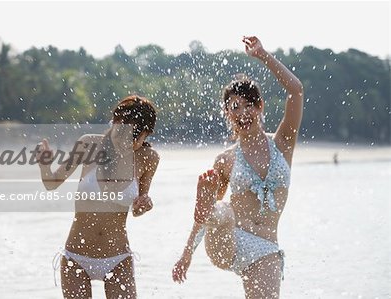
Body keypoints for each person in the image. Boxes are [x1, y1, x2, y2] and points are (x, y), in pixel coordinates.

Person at [172, 36, 303, 298]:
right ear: (227, 114)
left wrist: (263, 55)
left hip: (266, 247)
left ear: (260, 106)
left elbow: (296, 91)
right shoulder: (226, 160)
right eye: (234, 107)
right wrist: (187, 254)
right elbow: (208, 218)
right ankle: (209, 209)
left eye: (248, 105)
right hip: (228, 240)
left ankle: (212, 209)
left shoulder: (283, 144)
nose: (242, 112)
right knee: (222, 210)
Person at [37, 95, 160, 298]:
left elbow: (138, 208)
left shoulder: (149, 158)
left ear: (146, 134)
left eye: (135, 138)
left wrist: (144, 204)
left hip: (118, 258)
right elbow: (52, 183)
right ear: (115, 122)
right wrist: (44, 165)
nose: (125, 143)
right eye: (121, 134)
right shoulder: (88, 145)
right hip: (76, 256)